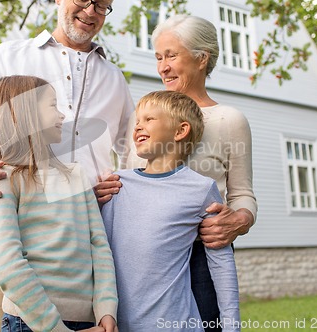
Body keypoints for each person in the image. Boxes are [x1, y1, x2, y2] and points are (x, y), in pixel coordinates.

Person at [0, 0, 134, 331]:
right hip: (16, 234)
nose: (90, 12)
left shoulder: (114, 78)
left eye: (102, 5)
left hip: (86, 245)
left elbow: (134, 150)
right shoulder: (10, 56)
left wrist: (118, 186)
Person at [96, 14, 257, 331]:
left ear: (201, 58)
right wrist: (106, 192)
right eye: (158, 57)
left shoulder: (228, 120)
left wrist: (238, 221)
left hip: (202, 254)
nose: (162, 67)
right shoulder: (145, 118)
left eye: (171, 55)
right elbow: (133, 177)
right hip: (141, 257)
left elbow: (242, 193)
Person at [0, 75, 117, 332]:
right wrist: (56, 329)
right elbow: (8, 264)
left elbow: (99, 246)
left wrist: (106, 310)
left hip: (90, 323)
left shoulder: (76, 175)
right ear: (24, 113)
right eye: (53, 106)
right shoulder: (3, 180)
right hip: (28, 322)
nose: (61, 116)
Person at [101, 90, 240, 332]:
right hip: (117, 325)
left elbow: (222, 265)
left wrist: (231, 327)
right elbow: (97, 250)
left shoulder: (201, 189)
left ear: (180, 131)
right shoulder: (115, 185)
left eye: (149, 119)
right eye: (137, 122)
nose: (137, 128)